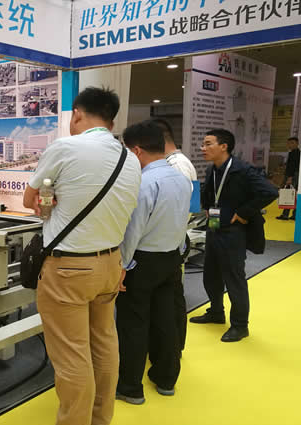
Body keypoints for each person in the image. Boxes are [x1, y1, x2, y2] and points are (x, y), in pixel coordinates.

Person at [22, 87, 141, 425]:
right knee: (104, 344)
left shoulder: (65, 147)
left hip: (69, 269)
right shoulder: (130, 158)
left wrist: (53, 200)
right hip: (111, 264)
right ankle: (100, 419)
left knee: (72, 355)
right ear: (111, 120)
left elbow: (31, 201)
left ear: (77, 114)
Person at [115, 121, 192, 405]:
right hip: (171, 258)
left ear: (136, 151)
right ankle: (166, 379)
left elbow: (133, 230)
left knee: (133, 323)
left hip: (142, 261)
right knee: (165, 321)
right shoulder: (181, 178)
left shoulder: (144, 183)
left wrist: (122, 266)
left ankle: (130, 387)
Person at [190, 129, 278, 342]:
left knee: (234, 278)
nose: (203, 148)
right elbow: (210, 195)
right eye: (203, 144)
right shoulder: (212, 169)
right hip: (214, 227)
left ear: (224, 146)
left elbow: (270, 192)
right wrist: (208, 211)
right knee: (211, 275)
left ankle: (240, 325)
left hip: (233, 232)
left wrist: (243, 213)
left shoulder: (243, 170)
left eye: (208, 144)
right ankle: (216, 312)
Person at [152, 118, 197, 356]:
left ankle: (173, 347)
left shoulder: (177, 165)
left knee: (172, 299)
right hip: (171, 238)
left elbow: (177, 207)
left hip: (171, 240)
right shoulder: (175, 163)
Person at [277, 137, 301, 220]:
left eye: (292, 143)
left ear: (297, 143)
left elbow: (293, 167)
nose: (290, 145)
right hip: (294, 175)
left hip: (293, 176)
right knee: (294, 195)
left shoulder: (295, 154)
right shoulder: (294, 153)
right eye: (288, 143)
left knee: (289, 194)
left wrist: (290, 177)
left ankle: (285, 214)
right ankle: (294, 214)